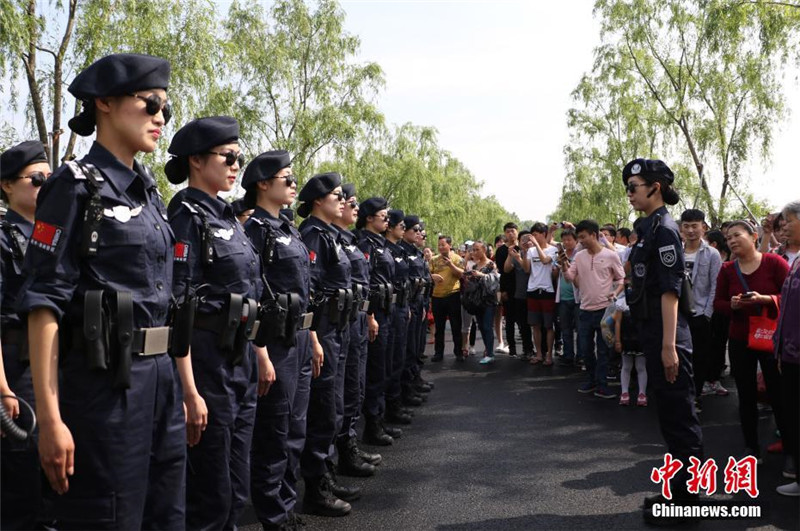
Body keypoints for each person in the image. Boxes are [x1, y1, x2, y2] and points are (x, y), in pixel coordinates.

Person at [18, 53, 186, 529]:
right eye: (151, 103)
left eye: (166, 110)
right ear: (105, 103)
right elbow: (44, 306)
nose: (160, 117)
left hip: (160, 383)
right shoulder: (75, 187)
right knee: (109, 516)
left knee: (167, 515)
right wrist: (50, 420)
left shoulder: (149, 195)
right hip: (107, 389)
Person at [164, 116, 264, 530]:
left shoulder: (226, 217)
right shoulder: (188, 215)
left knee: (237, 481)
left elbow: (251, 292)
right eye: (228, 156)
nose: (236, 165)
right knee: (211, 486)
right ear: (196, 161)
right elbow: (179, 304)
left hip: (238, 355)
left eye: (238, 157)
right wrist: (189, 389)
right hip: (207, 361)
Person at [239, 150, 325, 528]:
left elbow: (304, 289)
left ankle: (287, 506)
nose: (293, 185)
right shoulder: (255, 230)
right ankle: (272, 514)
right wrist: (259, 351)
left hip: (301, 337)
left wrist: (314, 337)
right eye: (287, 179)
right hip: (274, 343)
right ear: (262, 183)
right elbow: (252, 295)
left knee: (295, 427)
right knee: (274, 430)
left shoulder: (288, 229)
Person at [622, 158, 703, 523]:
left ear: (655, 187)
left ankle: (690, 502)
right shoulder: (648, 228)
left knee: (680, 418)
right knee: (670, 417)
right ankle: (681, 492)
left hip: (668, 335)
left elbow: (670, 293)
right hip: (653, 331)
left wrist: (668, 347)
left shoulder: (666, 230)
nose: (629, 193)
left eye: (634, 186)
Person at [296, 173, 358, 516]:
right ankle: (316, 487)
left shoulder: (330, 235)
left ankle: (326, 473)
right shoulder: (313, 236)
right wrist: (315, 337)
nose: (343, 201)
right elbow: (312, 290)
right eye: (336, 195)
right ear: (318, 200)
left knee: (334, 406)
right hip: (324, 329)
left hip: (339, 326)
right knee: (323, 409)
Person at [0, 140, 50, 529]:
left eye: (50, 180)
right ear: (6, 186)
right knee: (24, 481)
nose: (44, 187)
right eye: (36, 180)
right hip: (19, 372)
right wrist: (3, 389)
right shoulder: (3, 236)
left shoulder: (56, 236)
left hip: (60, 366)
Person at [713, 220, 789, 461]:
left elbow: (790, 295)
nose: (732, 241)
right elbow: (718, 303)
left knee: (779, 393)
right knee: (745, 396)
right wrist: (732, 305)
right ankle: (750, 446)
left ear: (754, 236)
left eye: (737, 235)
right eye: (728, 238)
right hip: (740, 339)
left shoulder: (774, 262)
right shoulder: (727, 269)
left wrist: (765, 298)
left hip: (771, 339)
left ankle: (789, 444)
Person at [332, 184, 383, 478]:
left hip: (357, 318)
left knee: (354, 387)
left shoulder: (348, 240)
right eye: (347, 201)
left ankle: (349, 444)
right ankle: (335, 460)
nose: (351, 206)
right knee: (337, 397)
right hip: (339, 323)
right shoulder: (326, 238)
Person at [357, 197, 402, 446]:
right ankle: (372, 425)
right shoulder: (365, 243)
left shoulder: (380, 243)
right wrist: (370, 315)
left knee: (383, 367)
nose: (387, 219)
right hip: (375, 314)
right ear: (369, 218)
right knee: (375, 371)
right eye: (383, 215)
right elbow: (367, 282)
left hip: (387, 309)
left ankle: (380, 419)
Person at [562, 219, 624, 399]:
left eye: (583, 237)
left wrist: (615, 293)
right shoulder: (579, 256)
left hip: (605, 310)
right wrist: (565, 264)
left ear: (594, 235)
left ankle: (602, 384)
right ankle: (591, 379)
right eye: (579, 237)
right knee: (586, 349)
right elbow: (569, 277)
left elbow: (621, 279)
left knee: (604, 350)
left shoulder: (611, 255)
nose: (580, 241)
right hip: (584, 309)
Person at [680, 209, 724, 412]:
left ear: (703, 227)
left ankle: (694, 396)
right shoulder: (675, 251)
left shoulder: (712, 253)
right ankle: (680, 396)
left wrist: (707, 313)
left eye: (694, 225)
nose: (690, 230)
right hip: (678, 314)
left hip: (700, 314)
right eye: (686, 226)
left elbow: (716, 285)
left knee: (699, 358)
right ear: (681, 229)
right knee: (679, 357)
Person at [383, 210, 421, 422]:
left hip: (403, 305)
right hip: (388, 308)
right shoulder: (384, 249)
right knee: (388, 362)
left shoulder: (399, 250)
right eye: (405, 227)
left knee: (401, 355)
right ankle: (388, 409)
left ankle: (397, 401)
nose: (415, 232)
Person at [775, 200, 800, 496]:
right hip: (790, 354)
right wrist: (779, 348)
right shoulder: (794, 262)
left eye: (789, 222)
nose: (784, 228)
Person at [522, 223, 558, 366]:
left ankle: (549, 354)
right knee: (535, 325)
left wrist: (536, 244)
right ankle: (538, 353)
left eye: (536, 234)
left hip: (547, 290)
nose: (533, 237)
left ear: (543, 234)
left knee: (548, 325)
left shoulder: (553, 249)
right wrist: (524, 252)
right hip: (532, 290)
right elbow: (526, 269)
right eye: (532, 235)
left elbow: (544, 261)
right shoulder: (530, 251)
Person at [464, 241, 500, 364]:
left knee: (487, 326)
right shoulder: (474, 265)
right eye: (473, 250)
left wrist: (481, 275)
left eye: (477, 249)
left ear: (484, 250)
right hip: (477, 301)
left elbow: (494, 283)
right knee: (482, 327)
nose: (474, 252)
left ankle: (490, 353)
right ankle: (487, 350)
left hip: (489, 300)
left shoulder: (491, 265)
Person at [429, 236, 464, 362]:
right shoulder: (433, 260)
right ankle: (438, 353)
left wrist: (450, 265)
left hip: (453, 295)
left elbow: (462, 275)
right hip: (437, 296)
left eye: (443, 244)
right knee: (439, 327)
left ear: (449, 245)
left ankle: (458, 352)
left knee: (456, 325)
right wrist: (432, 276)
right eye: (439, 245)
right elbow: (428, 275)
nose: (440, 247)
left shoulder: (457, 259)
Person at [613, 294, 647, 407]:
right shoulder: (621, 302)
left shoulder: (644, 300)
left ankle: (642, 393)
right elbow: (618, 322)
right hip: (627, 339)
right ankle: (624, 392)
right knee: (627, 366)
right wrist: (617, 340)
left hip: (639, 339)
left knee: (640, 367)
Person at [506, 231, 535, 359]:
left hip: (534, 293)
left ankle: (541, 350)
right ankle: (527, 349)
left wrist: (519, 257)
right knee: (523, 325)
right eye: (523, 241)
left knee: (538, 324)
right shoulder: (517, 254)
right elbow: (506, 269)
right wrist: (510, 255)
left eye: (528, 240)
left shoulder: (536, 254)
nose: (526, 243)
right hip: (520, 294)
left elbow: (527, 269)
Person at [555, 228, 580, 367]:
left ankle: (581, 356)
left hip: (578, 298)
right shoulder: (559, 255)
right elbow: (554, 275)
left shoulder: (580, 254)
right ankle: (568, 355)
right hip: (563, 298)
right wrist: (558, 265)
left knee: (581, 330)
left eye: (569, 239)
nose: (566, 242)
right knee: (565, 329)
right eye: (564, 240)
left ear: (576, 241)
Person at [495, 223, 521, 357]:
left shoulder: (522, 247)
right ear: (505, 233)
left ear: (517, 232)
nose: (511, 234)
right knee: (509, 320)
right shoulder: (500, 251)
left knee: (524, 320)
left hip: (522, 287)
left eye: (513, 231)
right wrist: (502, 290)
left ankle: (528, 348)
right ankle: (512, 348)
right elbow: (501, 272)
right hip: (508, 288)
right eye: (508, 231)